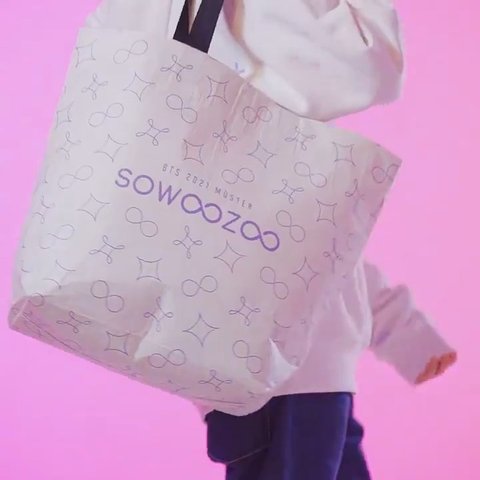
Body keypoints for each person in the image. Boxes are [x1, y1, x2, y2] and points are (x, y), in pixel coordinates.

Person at [87, 1, 457, 479]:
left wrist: (404, 333)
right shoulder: (222, 170)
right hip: (271, 374)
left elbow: (322, 257)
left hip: (298, 372)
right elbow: (369, 72)